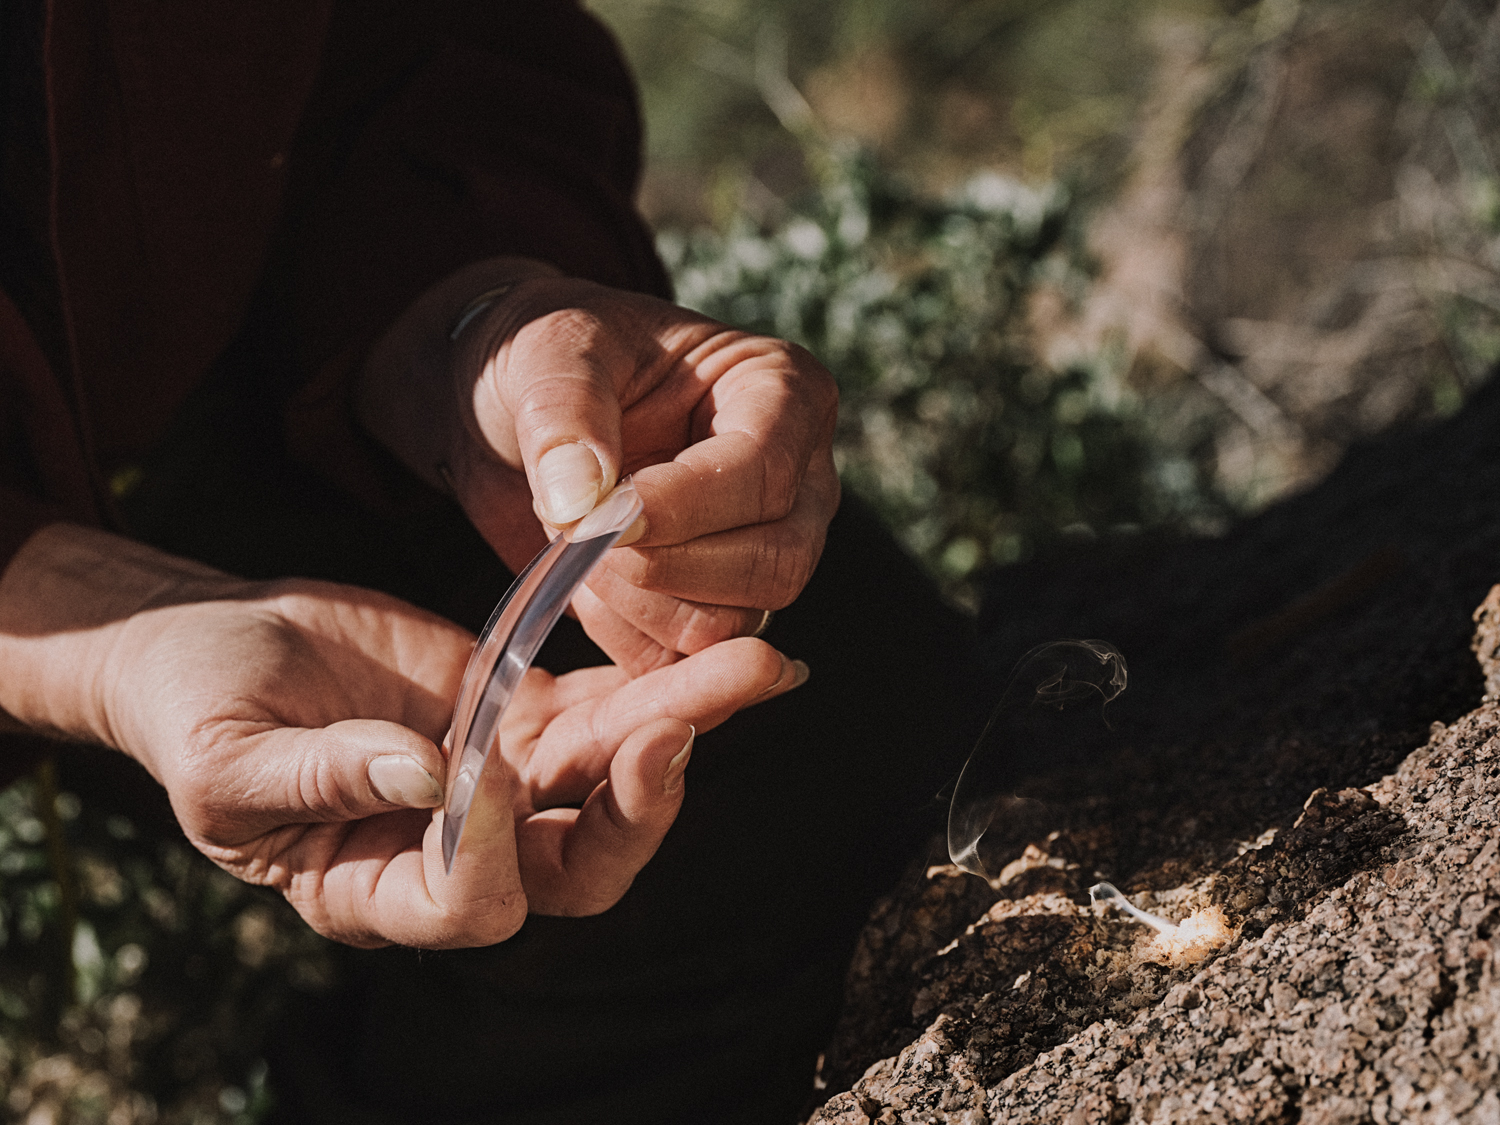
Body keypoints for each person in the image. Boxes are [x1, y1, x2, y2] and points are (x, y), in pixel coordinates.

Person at [0, 1, 980, 1120]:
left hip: (253, 371)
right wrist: (109, 641)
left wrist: (476, 329)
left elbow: (405, 50)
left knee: (798, 736)